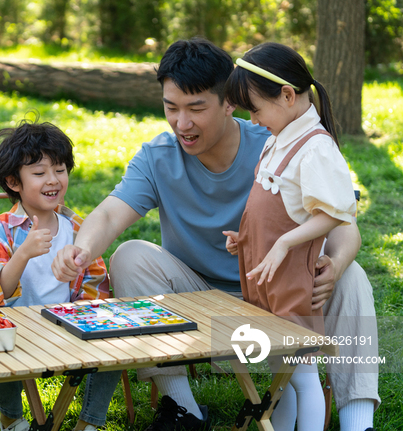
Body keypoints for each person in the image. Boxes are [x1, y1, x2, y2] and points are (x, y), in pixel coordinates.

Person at [52, 38, 379, 431]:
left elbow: (343, 222)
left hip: (281, 292)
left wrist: (337, 263)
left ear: (230, 102)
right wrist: (80, 250)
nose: (181, 123)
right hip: (198, 302)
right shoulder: (157, 156)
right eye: (171, 107)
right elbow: (107, 215)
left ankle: (358, 422)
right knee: (130, 256)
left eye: (196, 108)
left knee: (353, 277)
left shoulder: (278, 140)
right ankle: (185, 411)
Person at [221, 42, 357, 431]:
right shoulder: (276, 138)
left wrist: (282, 244)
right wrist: (245, 239)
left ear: (286, 95)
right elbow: (274, 211)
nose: (252, 118)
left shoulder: (314, 147)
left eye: (256, 108)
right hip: (269, 282)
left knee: (301, 373)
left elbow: (333, 212)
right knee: (283, 372)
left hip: (290, 284)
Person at [0, 118, 120, 431]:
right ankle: (12, 418)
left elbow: (97, 288)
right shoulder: (0, 230)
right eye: (39, 173)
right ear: (14, 182)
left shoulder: (78, 228)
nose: (53, 180)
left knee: (113, 339)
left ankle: (90, 422)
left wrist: (84, 312)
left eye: (60, 170)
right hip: (18, 329)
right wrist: (23, 253)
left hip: (69, 325)